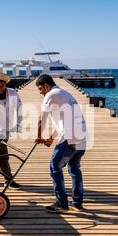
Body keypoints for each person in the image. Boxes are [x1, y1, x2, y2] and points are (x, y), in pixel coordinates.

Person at [35, 74, 87, 213]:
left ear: (46, 86)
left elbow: (41, 118)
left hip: (70, 140)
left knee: (55, 167)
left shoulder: (50, 94)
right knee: (74, 169)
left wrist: (39, 136)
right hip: (82, 137)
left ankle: (61, 203)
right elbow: (63, 121)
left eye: (40, 89)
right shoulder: (65, 94)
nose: (40, 93)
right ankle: (77, 203)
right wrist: (51, 138)